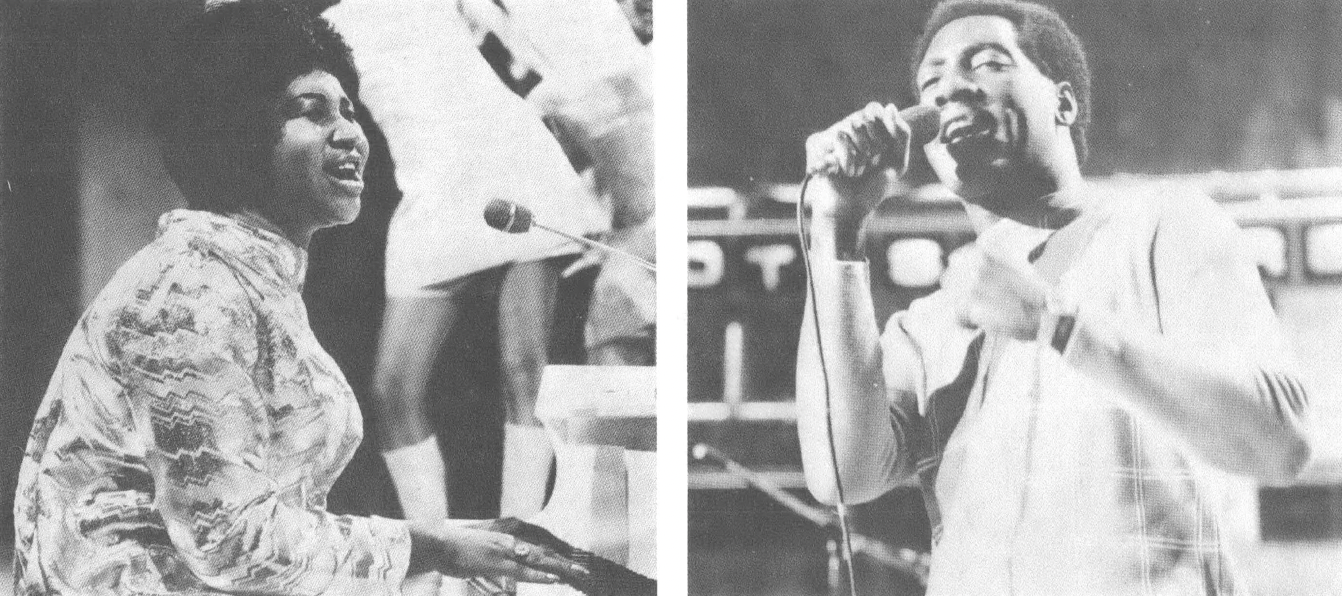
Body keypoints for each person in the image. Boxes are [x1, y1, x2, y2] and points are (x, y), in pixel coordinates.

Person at [11, 3, 586, 594]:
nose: (350, 133)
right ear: (240, 130)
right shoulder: (189, 297)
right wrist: (435, 548)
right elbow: (228, 542)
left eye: (349, 110)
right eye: (310, 112)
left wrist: (444, 554)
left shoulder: (246, 276)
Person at [795, 1, 1313, 594]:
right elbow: (842, 474)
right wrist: (838, 225)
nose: (949, 91)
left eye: (986, 63)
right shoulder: (928, 326)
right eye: (930, 82)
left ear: (1064, 102)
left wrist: (1056, 324)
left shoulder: (1165, 227)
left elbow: (1282, 440)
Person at [324, 0, 653, 574]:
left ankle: (515, 550)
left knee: (526, 373)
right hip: (428, 191)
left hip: (509, 161)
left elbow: (535, 41)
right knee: (392, 391)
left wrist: (564, 101)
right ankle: (437, 552)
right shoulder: (317, 23)